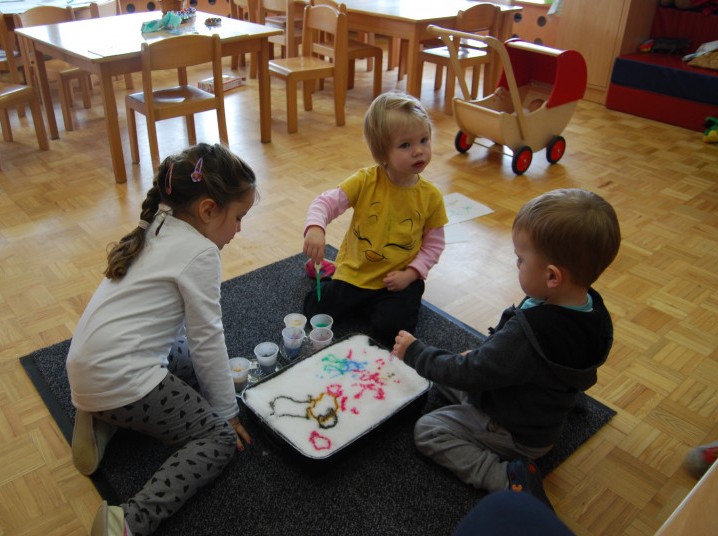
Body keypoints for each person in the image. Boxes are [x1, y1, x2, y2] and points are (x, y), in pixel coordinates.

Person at [65, 143, 256, 536]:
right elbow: (207, 339)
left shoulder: (157, 223)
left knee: (184, 356)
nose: (239, 229)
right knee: (217, 439)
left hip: (88, 366)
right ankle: (126, 523)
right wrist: (227, 412)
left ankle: (98, 417)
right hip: (120, 377)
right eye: (238, 218)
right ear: (208, 210)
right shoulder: (201, 253)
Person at [392, 188, 621, 510]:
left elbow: (473, 373)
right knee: (448, 370)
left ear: (552, 276)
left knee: (429, 429)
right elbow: (559, 364)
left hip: (517, 432)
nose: (516, 264)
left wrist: (416, 353)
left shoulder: (528, 336)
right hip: (540, 406)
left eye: (521, 259)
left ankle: (508, 481)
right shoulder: (592, 309)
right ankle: (560, 404)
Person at [302, 91, 448, 345]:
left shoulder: (431, 196)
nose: (418, 151)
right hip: (357, 272)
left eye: (424, 140)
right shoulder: (365, 181)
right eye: (405, 145)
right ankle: (333, 276)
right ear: (382, 153)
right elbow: (325, 203)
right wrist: (316, 227)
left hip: (398, 280)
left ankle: (366, 302)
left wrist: (411, 274)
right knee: (315, 312)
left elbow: (434, 245)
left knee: (392, 331)